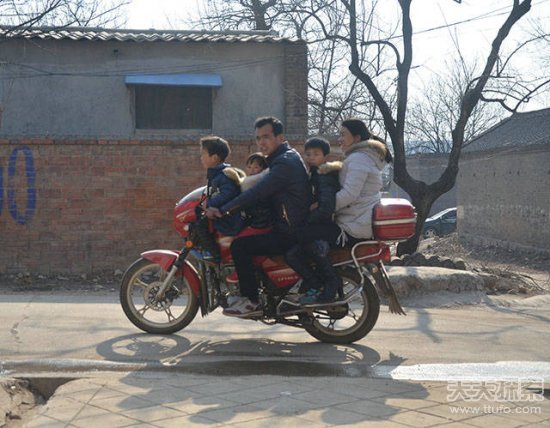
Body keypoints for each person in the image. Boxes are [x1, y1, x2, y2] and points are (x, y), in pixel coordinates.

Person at [206, 116, 311, 317]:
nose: (261, 142)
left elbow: (258, 191)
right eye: (258, 138)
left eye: (266, 137)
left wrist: (225, 209)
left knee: (240, 245)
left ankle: (251, 301)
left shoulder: (284, 163)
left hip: (291, 230)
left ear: (280, 137)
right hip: (287, 224)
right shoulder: (282, 158)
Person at [292, 119, 393, 304]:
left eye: (343, 134)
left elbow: (349, 194)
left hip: (352, 227)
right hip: (355, 220)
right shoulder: (361, 157)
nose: (339, 139)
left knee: (301, 235)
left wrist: (322, 208)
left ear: (356, 137)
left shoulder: (359, 159)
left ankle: (329, 281)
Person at [284, 137, 342, 304]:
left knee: (299, 238)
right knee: (292, 254)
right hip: (317, 223)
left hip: (323, 225)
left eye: (316, 154)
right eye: (308, 154)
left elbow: (326, 207)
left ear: (325, 156)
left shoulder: (325, 174)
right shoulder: (314, 174)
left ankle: (331, 280)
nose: (311, 157)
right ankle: (314, 282)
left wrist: (307, 220)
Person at [197, 136, 244, 260]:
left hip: (228, 218)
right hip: (223, 214)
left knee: (200, 225)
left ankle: (213, 253)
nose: (201, 157)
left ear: (214, 158)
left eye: (203, 154)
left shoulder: (225, 175)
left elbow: (227, 194)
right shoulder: (217, 174)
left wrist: (210, 203)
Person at [241, 152, 272, 229]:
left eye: (256, 167)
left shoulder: (261, 181)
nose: (251, 171)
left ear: (263, 169)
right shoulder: (247, 181)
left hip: (260, 221)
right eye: (249, 167)